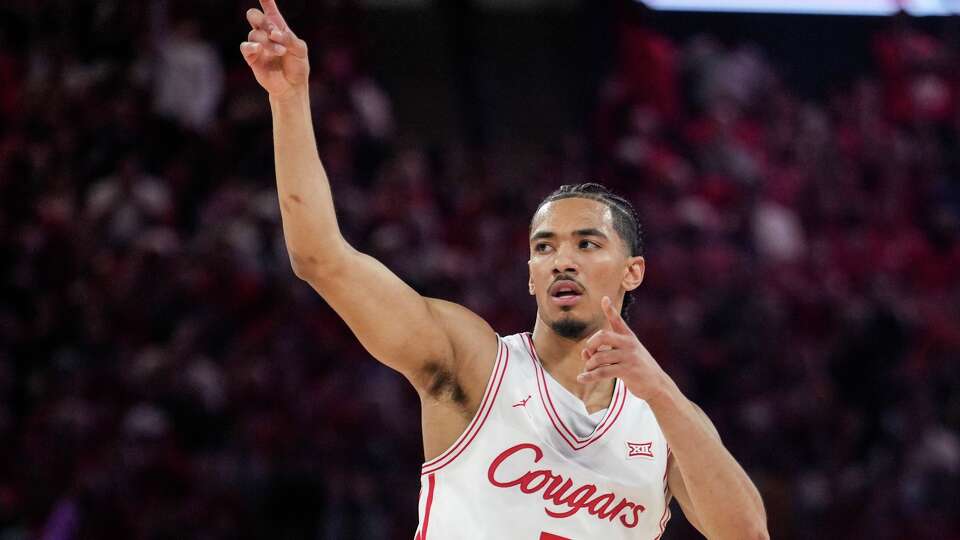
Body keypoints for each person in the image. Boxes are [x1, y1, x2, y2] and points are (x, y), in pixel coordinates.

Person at [240, 1, 768, 538]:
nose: (563, 260)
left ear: (632, 272)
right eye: (545, 247)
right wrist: (289, 99)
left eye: (587, 243)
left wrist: (660, 391)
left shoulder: (664, 418)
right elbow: (321, 258)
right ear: (531, 274)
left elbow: (747, 534)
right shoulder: (473, 363)